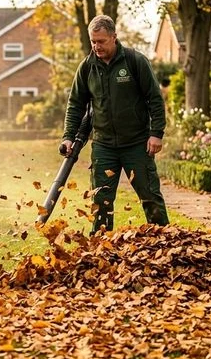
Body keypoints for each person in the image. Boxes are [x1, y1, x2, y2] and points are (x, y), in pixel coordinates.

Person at [61, 14, 169, 234]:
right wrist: (68, 136)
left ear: (114, 37)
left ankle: (166, 243)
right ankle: (101, 249)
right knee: (101, 201)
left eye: (101, 41)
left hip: (137, 143)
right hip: (104, 146)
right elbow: (75, 105)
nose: (96, 46)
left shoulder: (134, 61)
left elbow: (154, 98)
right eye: (93, 41)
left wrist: (156, 133)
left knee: (150, 197)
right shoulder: (87, 67)